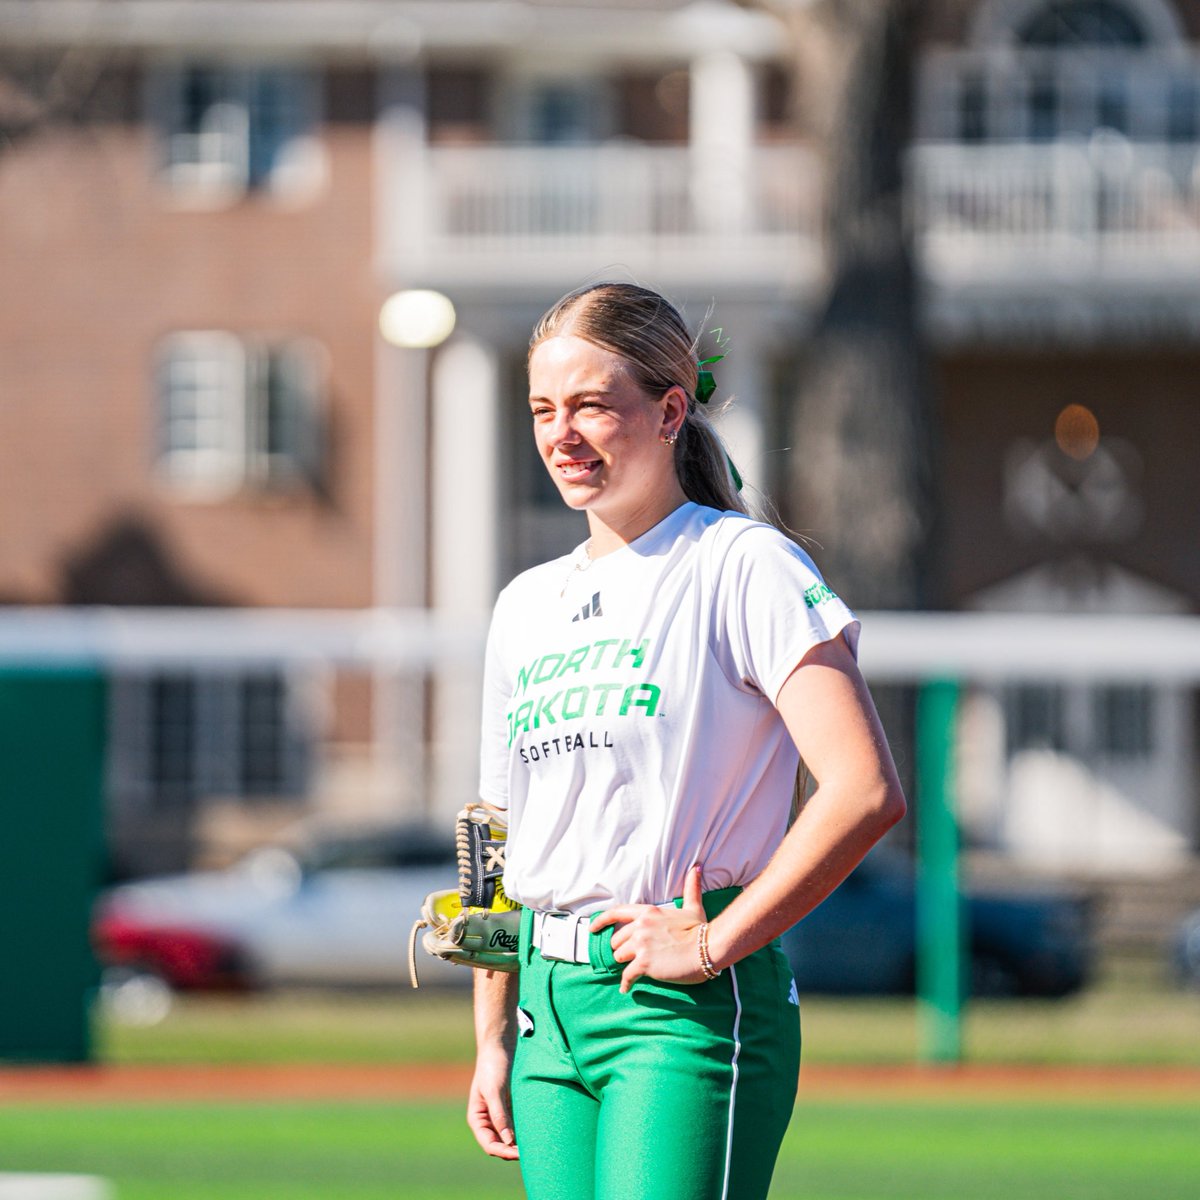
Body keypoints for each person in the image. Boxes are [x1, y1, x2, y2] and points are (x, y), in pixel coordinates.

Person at [467, 282, 905, 1200]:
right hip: (548, 1012)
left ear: (671, 410)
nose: (562, 434)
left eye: (591, 404)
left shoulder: (743, 564)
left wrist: (714, 947)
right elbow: (498, 833)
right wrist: (491, 1035)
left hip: (682, 1007)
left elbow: (865, 792)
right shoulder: (523, 605)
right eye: (544, 408)